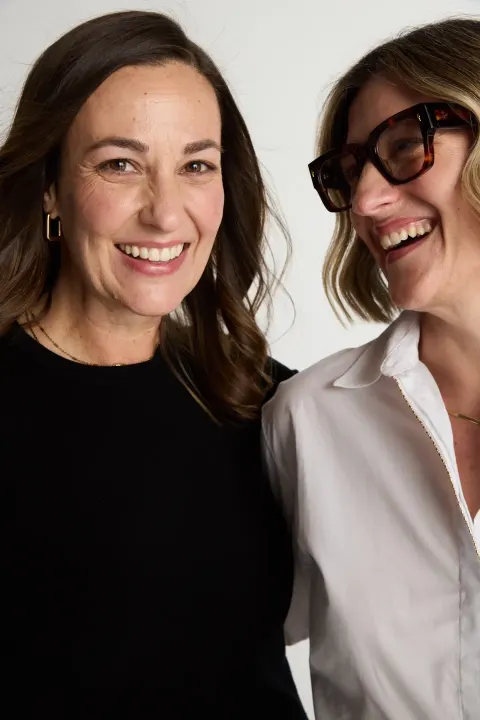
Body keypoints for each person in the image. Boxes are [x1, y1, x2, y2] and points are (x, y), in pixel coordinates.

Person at [0, 10, 307, 718]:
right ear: (49, 186)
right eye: (120, 164)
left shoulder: (268, 400)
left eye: (196, 165)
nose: (166, 214)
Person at [262, 16, 480, 720]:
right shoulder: (308, 421)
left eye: (405, 146)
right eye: (351, 172)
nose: (364, 202)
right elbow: (205, 647)